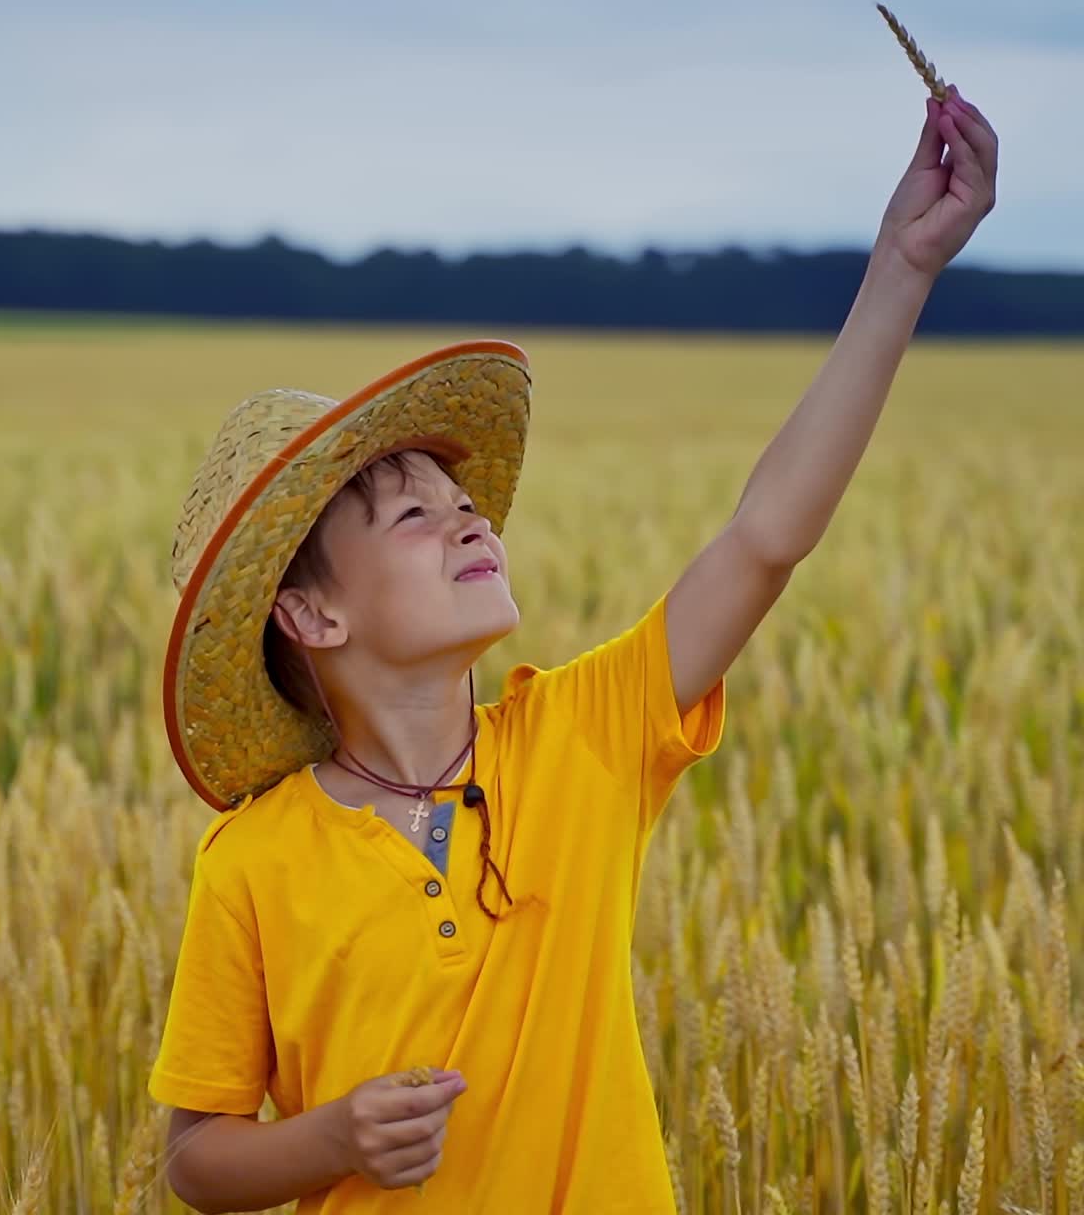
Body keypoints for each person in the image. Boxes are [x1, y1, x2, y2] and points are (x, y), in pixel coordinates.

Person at [146, 84, 998, 1213]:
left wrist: (901, 266)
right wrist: (330, 1136)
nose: (469, 518)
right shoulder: (251, 860)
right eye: (413, 515)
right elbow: (195, 1155)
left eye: (466, 503)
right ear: (310, 617)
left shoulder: (581, 738)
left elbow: (763, 537)